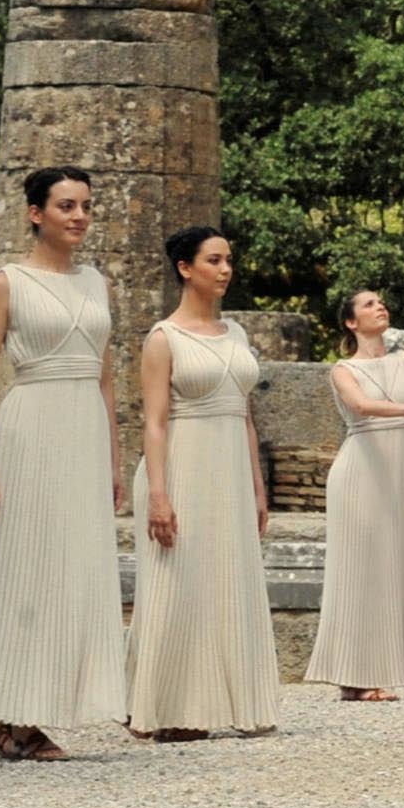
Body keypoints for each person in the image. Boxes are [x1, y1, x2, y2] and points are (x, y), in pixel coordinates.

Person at [0, 166, 124, 762]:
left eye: (85, 205)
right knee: (26, 568)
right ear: (35, 213)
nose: (78, 216)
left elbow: (106, 378)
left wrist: (112, 457)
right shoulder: (8, 283)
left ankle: (28, 710)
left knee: (75, 569)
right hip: (29, 427)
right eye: (65, 206)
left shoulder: (98, 284)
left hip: (82, 428)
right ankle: (12, 718)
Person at [125, 225, 279, 741]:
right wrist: (159, 495)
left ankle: (237, 702)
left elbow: (247, 415)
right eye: (214, 260)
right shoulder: (163, 338)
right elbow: (154, 422)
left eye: (229, 260)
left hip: (230, 468)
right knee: (179, 582)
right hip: (183, 465)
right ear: (185, 268)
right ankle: (169, 708)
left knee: (230, 579)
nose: (226, 269)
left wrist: (258, 486)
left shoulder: (236, 334)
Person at [306, 214, 404, 702]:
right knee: (359, 567)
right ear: (352, 322)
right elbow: (360, 406)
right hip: (361, 471)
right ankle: (357, 674)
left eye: (381, 301)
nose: (381, 307)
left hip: (399, 472)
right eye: (369, 304)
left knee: (395, 565)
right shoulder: (342, 368)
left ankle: (373, 673)